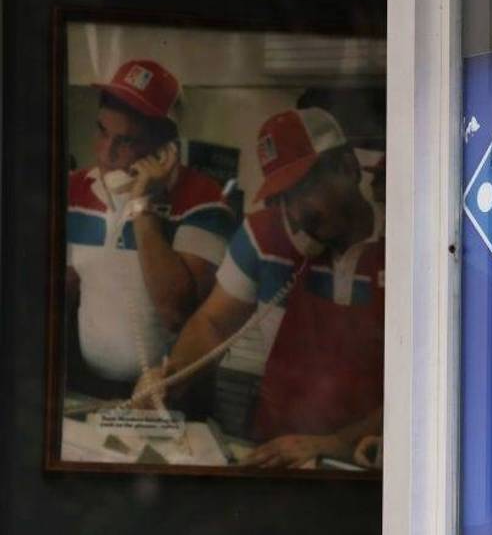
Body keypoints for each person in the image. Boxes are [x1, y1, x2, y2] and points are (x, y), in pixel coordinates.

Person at [135, 107, 384, 468]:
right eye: (283, 197)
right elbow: (213, 323)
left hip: (365, 460)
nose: (295, 213)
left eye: (303, 189)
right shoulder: (263, 235)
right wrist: (173, 375)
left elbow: (420, 385)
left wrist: (333, 444)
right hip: (274, 449)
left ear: (347, 167)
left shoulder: (406, 242)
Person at [66, 59, 233, 396]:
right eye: (102, 131)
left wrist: (143, 207)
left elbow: (176, 311)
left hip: (169, 390)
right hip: (85, 383)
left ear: (164, 148)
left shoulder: (204, 199)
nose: (106, 154)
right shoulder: (74, 190)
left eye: (125, 141)